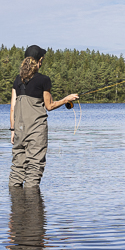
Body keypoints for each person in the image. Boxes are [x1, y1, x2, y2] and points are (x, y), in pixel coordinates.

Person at [9, 45, 78, 188]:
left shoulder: (17, 80)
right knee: (34, 168)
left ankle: (16, 206)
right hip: (36, 132)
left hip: (19, 131)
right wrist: (67, 99)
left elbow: (12, 108)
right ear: (40, 61)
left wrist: (13, 130)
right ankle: (33, 206)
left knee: (17, 168)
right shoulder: (43, 80)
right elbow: (50, 105)